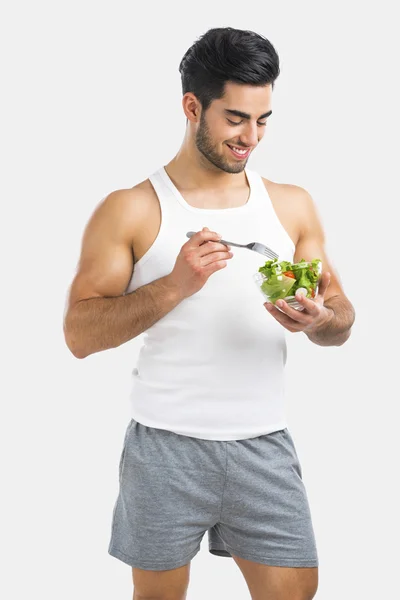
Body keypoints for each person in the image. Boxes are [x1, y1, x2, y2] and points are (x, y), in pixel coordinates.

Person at [63, 26, 355, 600]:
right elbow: (78, 334)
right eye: (235, 119)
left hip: (263, 444)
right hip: (165, 449)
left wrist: (320, 319)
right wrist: (173, 287)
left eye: (263, 119)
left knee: (297, 592)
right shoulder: (131, 209)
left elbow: (341, 316)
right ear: (192, 107)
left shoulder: (292, 205)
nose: (251, 137)